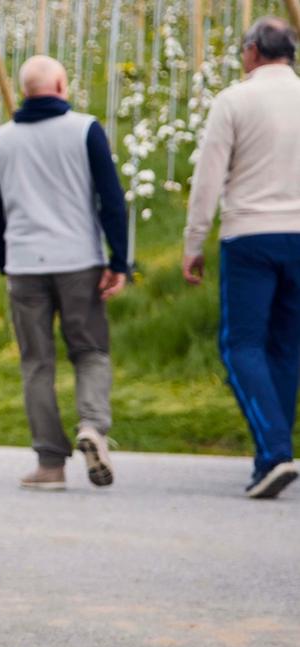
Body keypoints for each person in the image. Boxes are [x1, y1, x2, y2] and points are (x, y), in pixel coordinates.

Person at [0, 55, 128, 492]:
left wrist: (8, 260)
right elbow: (111, 198)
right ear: (61, 84)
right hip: (79, 260)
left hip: (26, 264)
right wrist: (119, 260)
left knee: (36, 363)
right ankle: (93, 426)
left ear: (26, 90)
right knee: (90, 351)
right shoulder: (85, 129)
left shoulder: (1, 139)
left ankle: (49, 463)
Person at [182, 18, 300, 499]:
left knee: (241, 345)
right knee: (286, 347)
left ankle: (274, 452)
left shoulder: (233, 100)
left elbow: (208, 176)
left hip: (250, 236)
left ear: (252, 51)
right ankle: (270, 454)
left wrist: (194, 242)